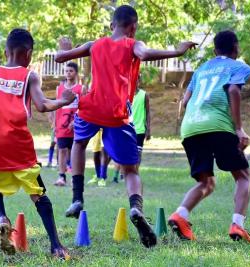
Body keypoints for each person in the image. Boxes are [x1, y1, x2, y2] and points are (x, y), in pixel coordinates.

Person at [55, 5, 196, 248]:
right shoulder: (132, 44)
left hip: (91, 106)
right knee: (130, 170)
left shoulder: (93, 44)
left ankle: (77, 197)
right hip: (118, 113)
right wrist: (177, 52)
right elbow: (145, 54)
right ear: (133, 27)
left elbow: (59, 57)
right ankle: (135, 208)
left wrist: (65, 50)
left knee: (78, 143)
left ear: (112, 26)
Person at [0, 28, 74, 259]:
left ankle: (2, 218)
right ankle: (56, 247)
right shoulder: (29, 75)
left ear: (5, 52)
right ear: (28, 54)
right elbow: (42, 105)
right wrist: (64, 100)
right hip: (16, 144)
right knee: (38, 193)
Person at [168, 30, 250, 243]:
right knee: (243, 176)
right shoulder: (239, 66)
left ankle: (180, 215)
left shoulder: (200, 70)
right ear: (236, 48)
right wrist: (239, 128)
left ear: (215, 50)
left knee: (206, 182)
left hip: (190, 128)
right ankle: (238, 225)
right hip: (218, 125)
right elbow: (233, 91)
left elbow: (185, 102)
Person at [54, 62, 82, 186]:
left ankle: (74, 176)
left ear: (76, 73)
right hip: (62, 124)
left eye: (71, 71)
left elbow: (83, 107)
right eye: (66, 71)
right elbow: (57, 107)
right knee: (62, 149)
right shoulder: (59, 88)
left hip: (76, 124)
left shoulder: (81, 89)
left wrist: (76, 120)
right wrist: (55, 124)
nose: (68, 73)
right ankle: (61, 177)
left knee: (75, 150)